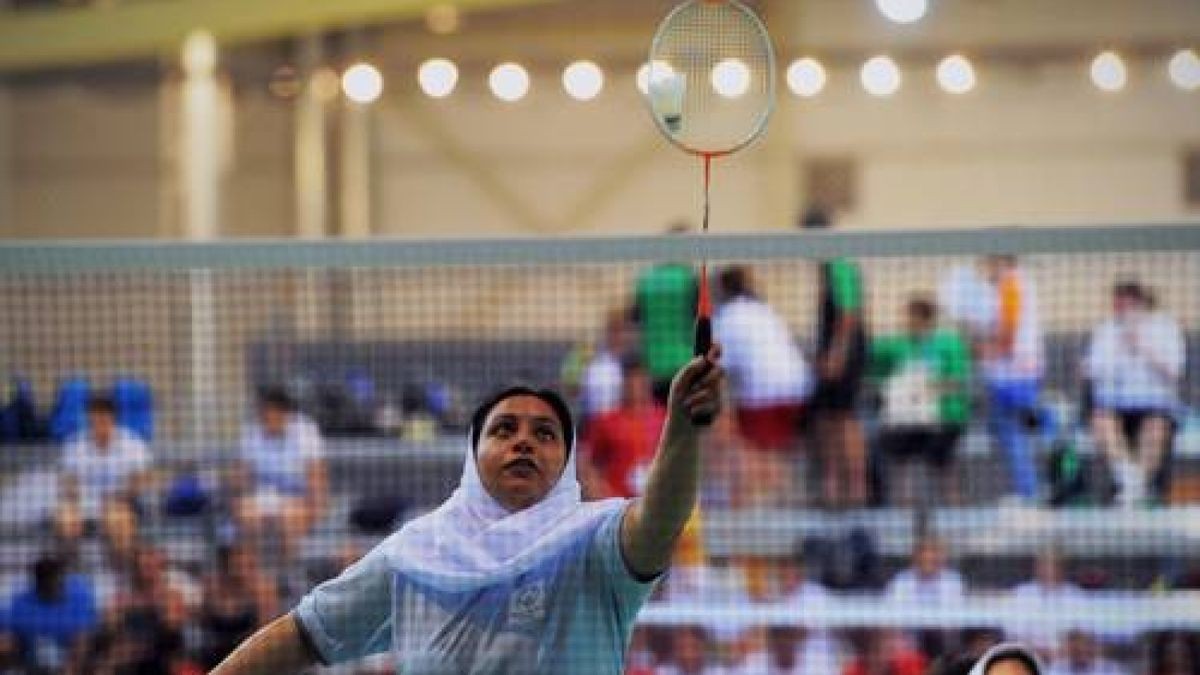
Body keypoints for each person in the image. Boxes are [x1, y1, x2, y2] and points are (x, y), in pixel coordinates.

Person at [212, 347, 725, 674]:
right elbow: (304, 632)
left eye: (544, 434)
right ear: (472, 454)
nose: (524, 442)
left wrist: (682, 427)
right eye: (505, 430)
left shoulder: (593, 541)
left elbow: (660, 519)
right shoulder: (414, 554)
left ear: (566, 464)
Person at [713, 266, 812, 506]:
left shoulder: (725, 317)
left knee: (757, 455)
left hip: (763, 395)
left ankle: (761, 508)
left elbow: (718, 367)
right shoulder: (764, 309)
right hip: (799, 388)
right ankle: (776, 503)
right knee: (774, 454)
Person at [1082, 281, 1185, 507]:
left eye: (1125, 302)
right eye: (1116, 302)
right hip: (1115, 406)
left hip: (1155, 405)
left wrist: (1143, 347)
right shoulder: (1106, 330)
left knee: (1155, 428)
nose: (1119, 308)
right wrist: (1119, 349)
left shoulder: (1165, 327)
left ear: (1139, 302)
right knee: (1101, 422)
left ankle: (1134, 488)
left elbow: (1175, 371)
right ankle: (1131, 484)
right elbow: (1090, 369)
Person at [869, 295, 971, 507]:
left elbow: (957, 383)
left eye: (912, 319)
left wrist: (924, 389)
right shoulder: (895, 345)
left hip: (944, 416)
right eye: (907, 319)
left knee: (942, 464)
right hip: (908, 417)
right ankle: (903, 505)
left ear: (927, 319)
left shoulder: (949, 344)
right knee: (899, 457)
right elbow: (874, 371)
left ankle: (954, 505)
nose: (908, 324)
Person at [802, 207, 869, 508]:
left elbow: (848, 315)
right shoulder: (827, 267)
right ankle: (831, 485)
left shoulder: (840, 266)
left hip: (846, 351)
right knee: (826, 417)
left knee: (844, 417)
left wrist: (836, 355)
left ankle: (856, 487)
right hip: (831, 349)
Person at [233, 387, 328, 566]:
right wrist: (240, 495)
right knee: (246, 514)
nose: (264, 417)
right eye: (262, 412)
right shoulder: (251, 432)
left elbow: (317, 476)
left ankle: (288, 573)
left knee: (288, 518)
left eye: (268, 411)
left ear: (283, 412)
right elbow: (240, 476)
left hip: (297, 499)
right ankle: (260, 574)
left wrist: (317, 510)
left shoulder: (306, 431)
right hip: (261, 498)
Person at [978, 255, 1046, 504]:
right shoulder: (1016, 284)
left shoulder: (1010, 284)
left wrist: (988, 351)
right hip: (1020, 369)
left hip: (1015, 373)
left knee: (1010, 428)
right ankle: (1030, 487)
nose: (985, 270)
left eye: (989, 263)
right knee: (1007, 427)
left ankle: (1029, 490)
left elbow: (1008, 329)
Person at [55, 394, 154, 564]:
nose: (99, 423)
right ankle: (69, 565)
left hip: (121, 502)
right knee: (65, 518)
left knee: (116, 519)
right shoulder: (75, 444)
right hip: (84, 503)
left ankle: (121, 566)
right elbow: (67, 481)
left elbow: (143, 479)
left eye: (103, 417)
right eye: (94, 418)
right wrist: (76, 498)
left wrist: (121, 496)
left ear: (113, 418)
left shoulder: (132, 444)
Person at [580, 359, 667, 500]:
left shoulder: (665, 419)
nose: (636, 387)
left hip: (655, 504)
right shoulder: (606, 421)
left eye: (641, 380)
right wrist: (602, 494)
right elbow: (588, 463)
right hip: (619, 506)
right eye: (631, 381)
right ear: (623, 384)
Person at [634, 224, 700, 404]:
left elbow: (636, 320)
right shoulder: (690, 279)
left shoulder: (646, 281)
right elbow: (701, 320)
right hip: (685, 365)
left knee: (663, 425)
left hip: (654, 367)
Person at [3, 554, 98, 673]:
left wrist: (69, 669)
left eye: (60, 580)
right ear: (39, 583)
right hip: (31, 661)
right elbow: (12, 642)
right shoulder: (20, 602)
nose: (58, 585)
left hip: (72, 659)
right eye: (51, 582)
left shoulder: (80, 592)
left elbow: (82, 640)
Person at [199, 545, 279, 669]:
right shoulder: (214, 589)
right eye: (238, 565)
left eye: (249, 566)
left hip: (251, 658)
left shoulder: (263, 591)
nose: (243, 571)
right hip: (216, 658)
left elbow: (267, 631)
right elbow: (203, 623)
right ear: (229, 567)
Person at [1007, 548, 1084, 661]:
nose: (1050, 569)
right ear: (1036, 567)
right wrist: (1036, 652)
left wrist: (1059, 653)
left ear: (1063, 568)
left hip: (1067, 660)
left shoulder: (1077, 595)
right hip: (1025, 658)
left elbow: (1081, 635)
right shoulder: (1020, 593)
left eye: (1055, 565)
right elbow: (1012, 634)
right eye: (1044, 564)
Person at [1046, 631, 1128, 675]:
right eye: (1076, 650)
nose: (1082, 652)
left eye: (1087, 646)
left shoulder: (1110, 669)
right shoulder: (1056, 669)